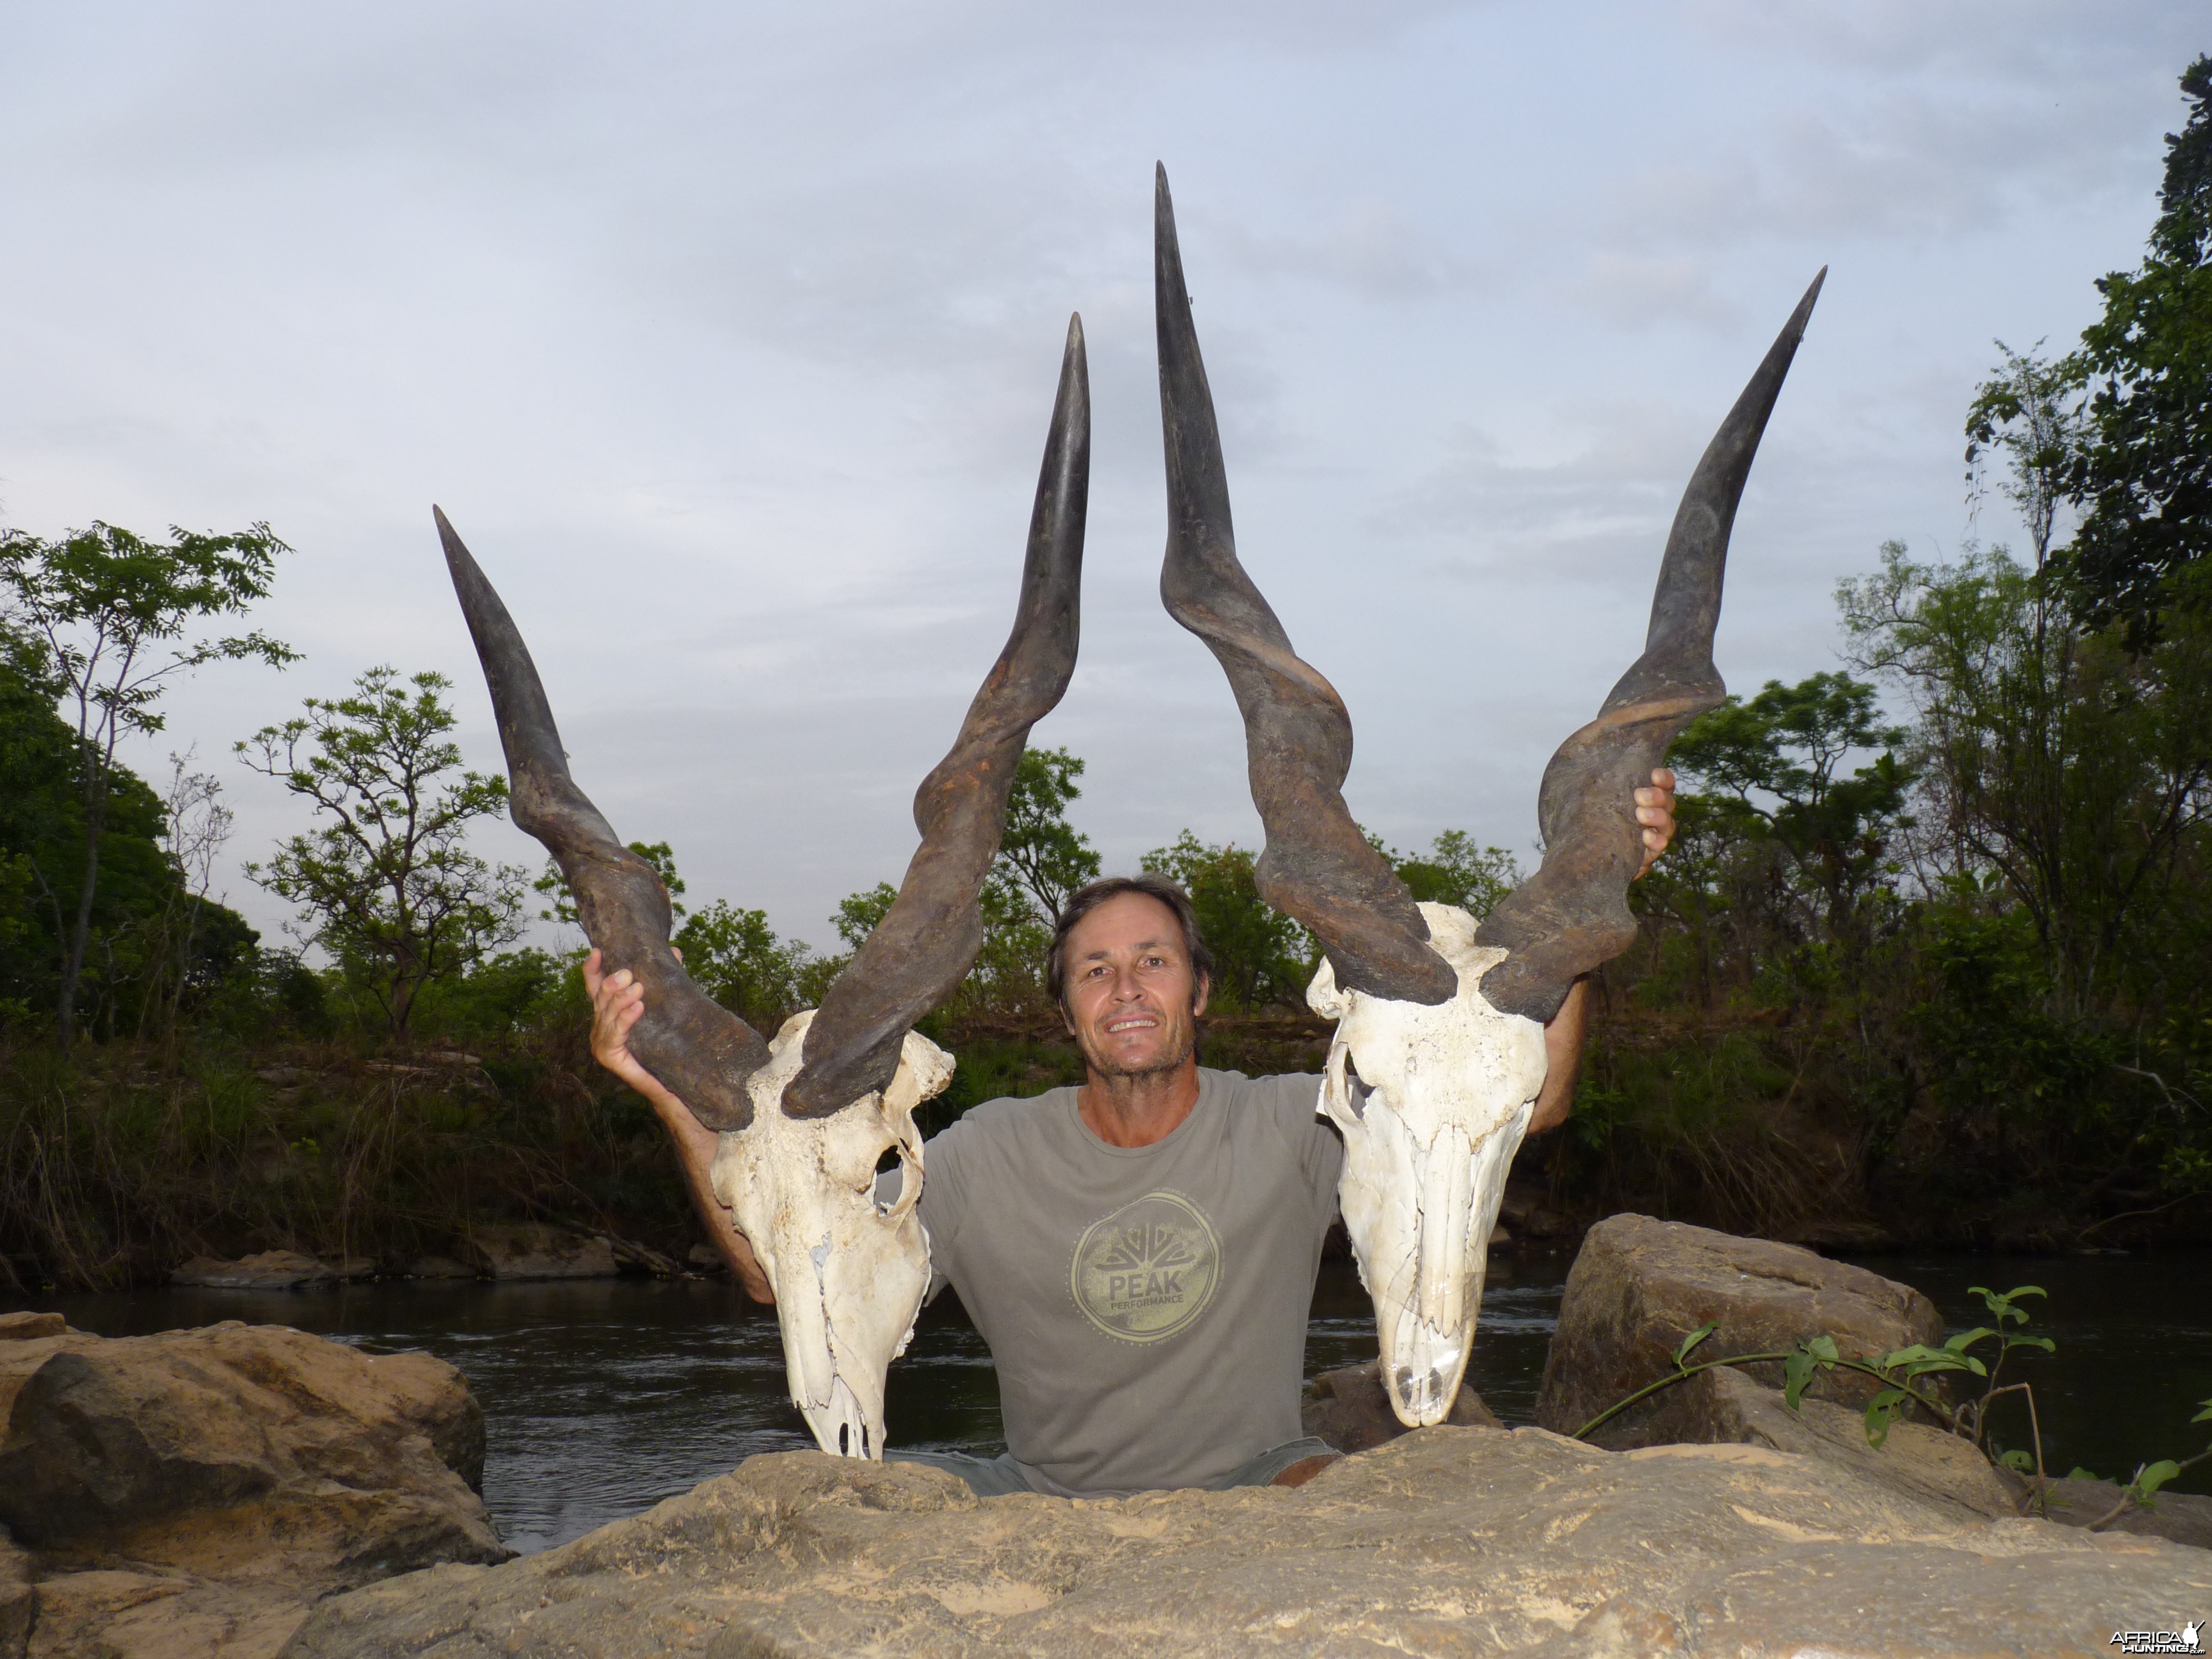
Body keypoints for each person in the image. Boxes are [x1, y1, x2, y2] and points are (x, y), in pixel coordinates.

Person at [587, 771, 1679, 1498]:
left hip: (1264, 1482)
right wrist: (667, 1096)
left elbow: (1524, 1101)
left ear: (1198, 992)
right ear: (1064, 1010)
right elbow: (787, 1279)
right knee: (839, 1508)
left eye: (1152, 960)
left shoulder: (1293, 1124)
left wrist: (1591, 906)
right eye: (1093, 969)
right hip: (1033, 1495)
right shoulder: (980, 1158)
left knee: (1360, 1508)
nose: (1124, 987)